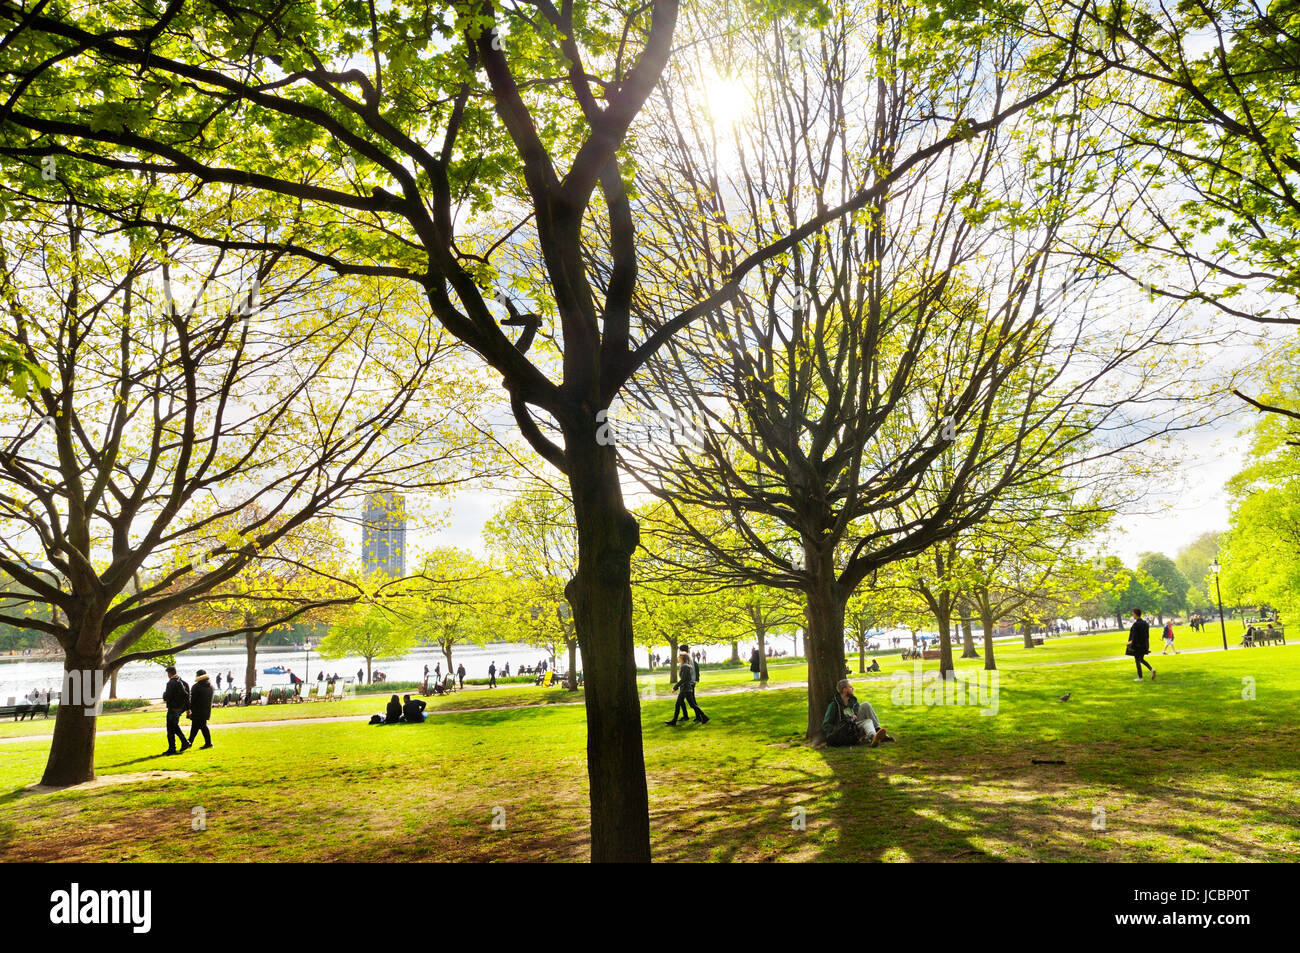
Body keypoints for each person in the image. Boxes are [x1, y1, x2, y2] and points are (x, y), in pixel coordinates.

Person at [823, 678, 891, 747]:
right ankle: (874, 737)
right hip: (845, 731)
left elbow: (857, 716)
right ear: (844, 690)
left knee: (866, 705)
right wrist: (838, 729)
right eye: (850, 687)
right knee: (868, 721)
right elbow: (825, 725)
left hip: (855, 727)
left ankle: (877, 732)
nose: (853, 688)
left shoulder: (853, 701)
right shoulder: (834, 705)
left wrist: (854, 716)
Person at [666, 650, 708, 725]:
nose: (678, 658)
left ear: (682, 658)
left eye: (679, 656)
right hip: (685, 688)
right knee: (681, 704)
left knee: (691, 705)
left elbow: (684, 679)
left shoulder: (685, 666)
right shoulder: (684, 666)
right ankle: (674, 721)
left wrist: (675, 687)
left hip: (686, 689)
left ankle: (704, 717)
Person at [163, 666, 191, 754]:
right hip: (180, 708)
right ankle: (184, 742)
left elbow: (167, 697)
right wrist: (188, 709)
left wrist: (164, 694)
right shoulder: (184, 683)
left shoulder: (171, 683)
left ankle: (173, 748)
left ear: (169, 673)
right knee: (174, 726)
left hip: (173, 708)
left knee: (170, 729)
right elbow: (187, 697)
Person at [187, 669, 215, 749]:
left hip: (197, 710)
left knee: (201, 726)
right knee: (196, 726)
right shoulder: (211, 686)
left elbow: (192, 700)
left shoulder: (196, 687)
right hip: (206, 710)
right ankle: (189, 742)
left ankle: (208, 743)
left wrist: (188, 709)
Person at [1127, 608, 1155, 681]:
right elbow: (1146, 635)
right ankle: (1151, 669)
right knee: (1141, 659)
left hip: (1137, 646)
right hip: (1144, 644)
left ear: (1136, 614)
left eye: (1133, 613)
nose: (1132, 615)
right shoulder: (1145, 623)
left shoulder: (1136, 624)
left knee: (1137, 661)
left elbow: (1135, 636)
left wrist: (1131, 642)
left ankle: (1140, 677)